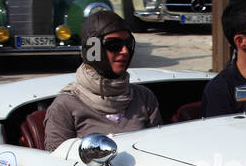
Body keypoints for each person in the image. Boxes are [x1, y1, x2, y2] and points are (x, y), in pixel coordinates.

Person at [43, 9, 160, 151]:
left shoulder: (144, 97)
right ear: (94, 49)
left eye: (128, 44)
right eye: (114, 45)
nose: (124, 51)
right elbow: (58, 164)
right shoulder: (65, 105)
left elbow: (158, 148)